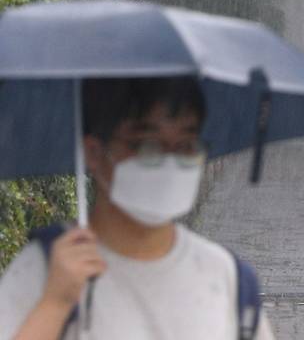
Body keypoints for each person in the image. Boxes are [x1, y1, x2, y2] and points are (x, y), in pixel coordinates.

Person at [0, 77, 275, 340]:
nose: (170, 161)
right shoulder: (47, 270)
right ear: (94, 152)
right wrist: (54, 304)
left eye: (186, 145)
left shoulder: (227, 277)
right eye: (147, 146)